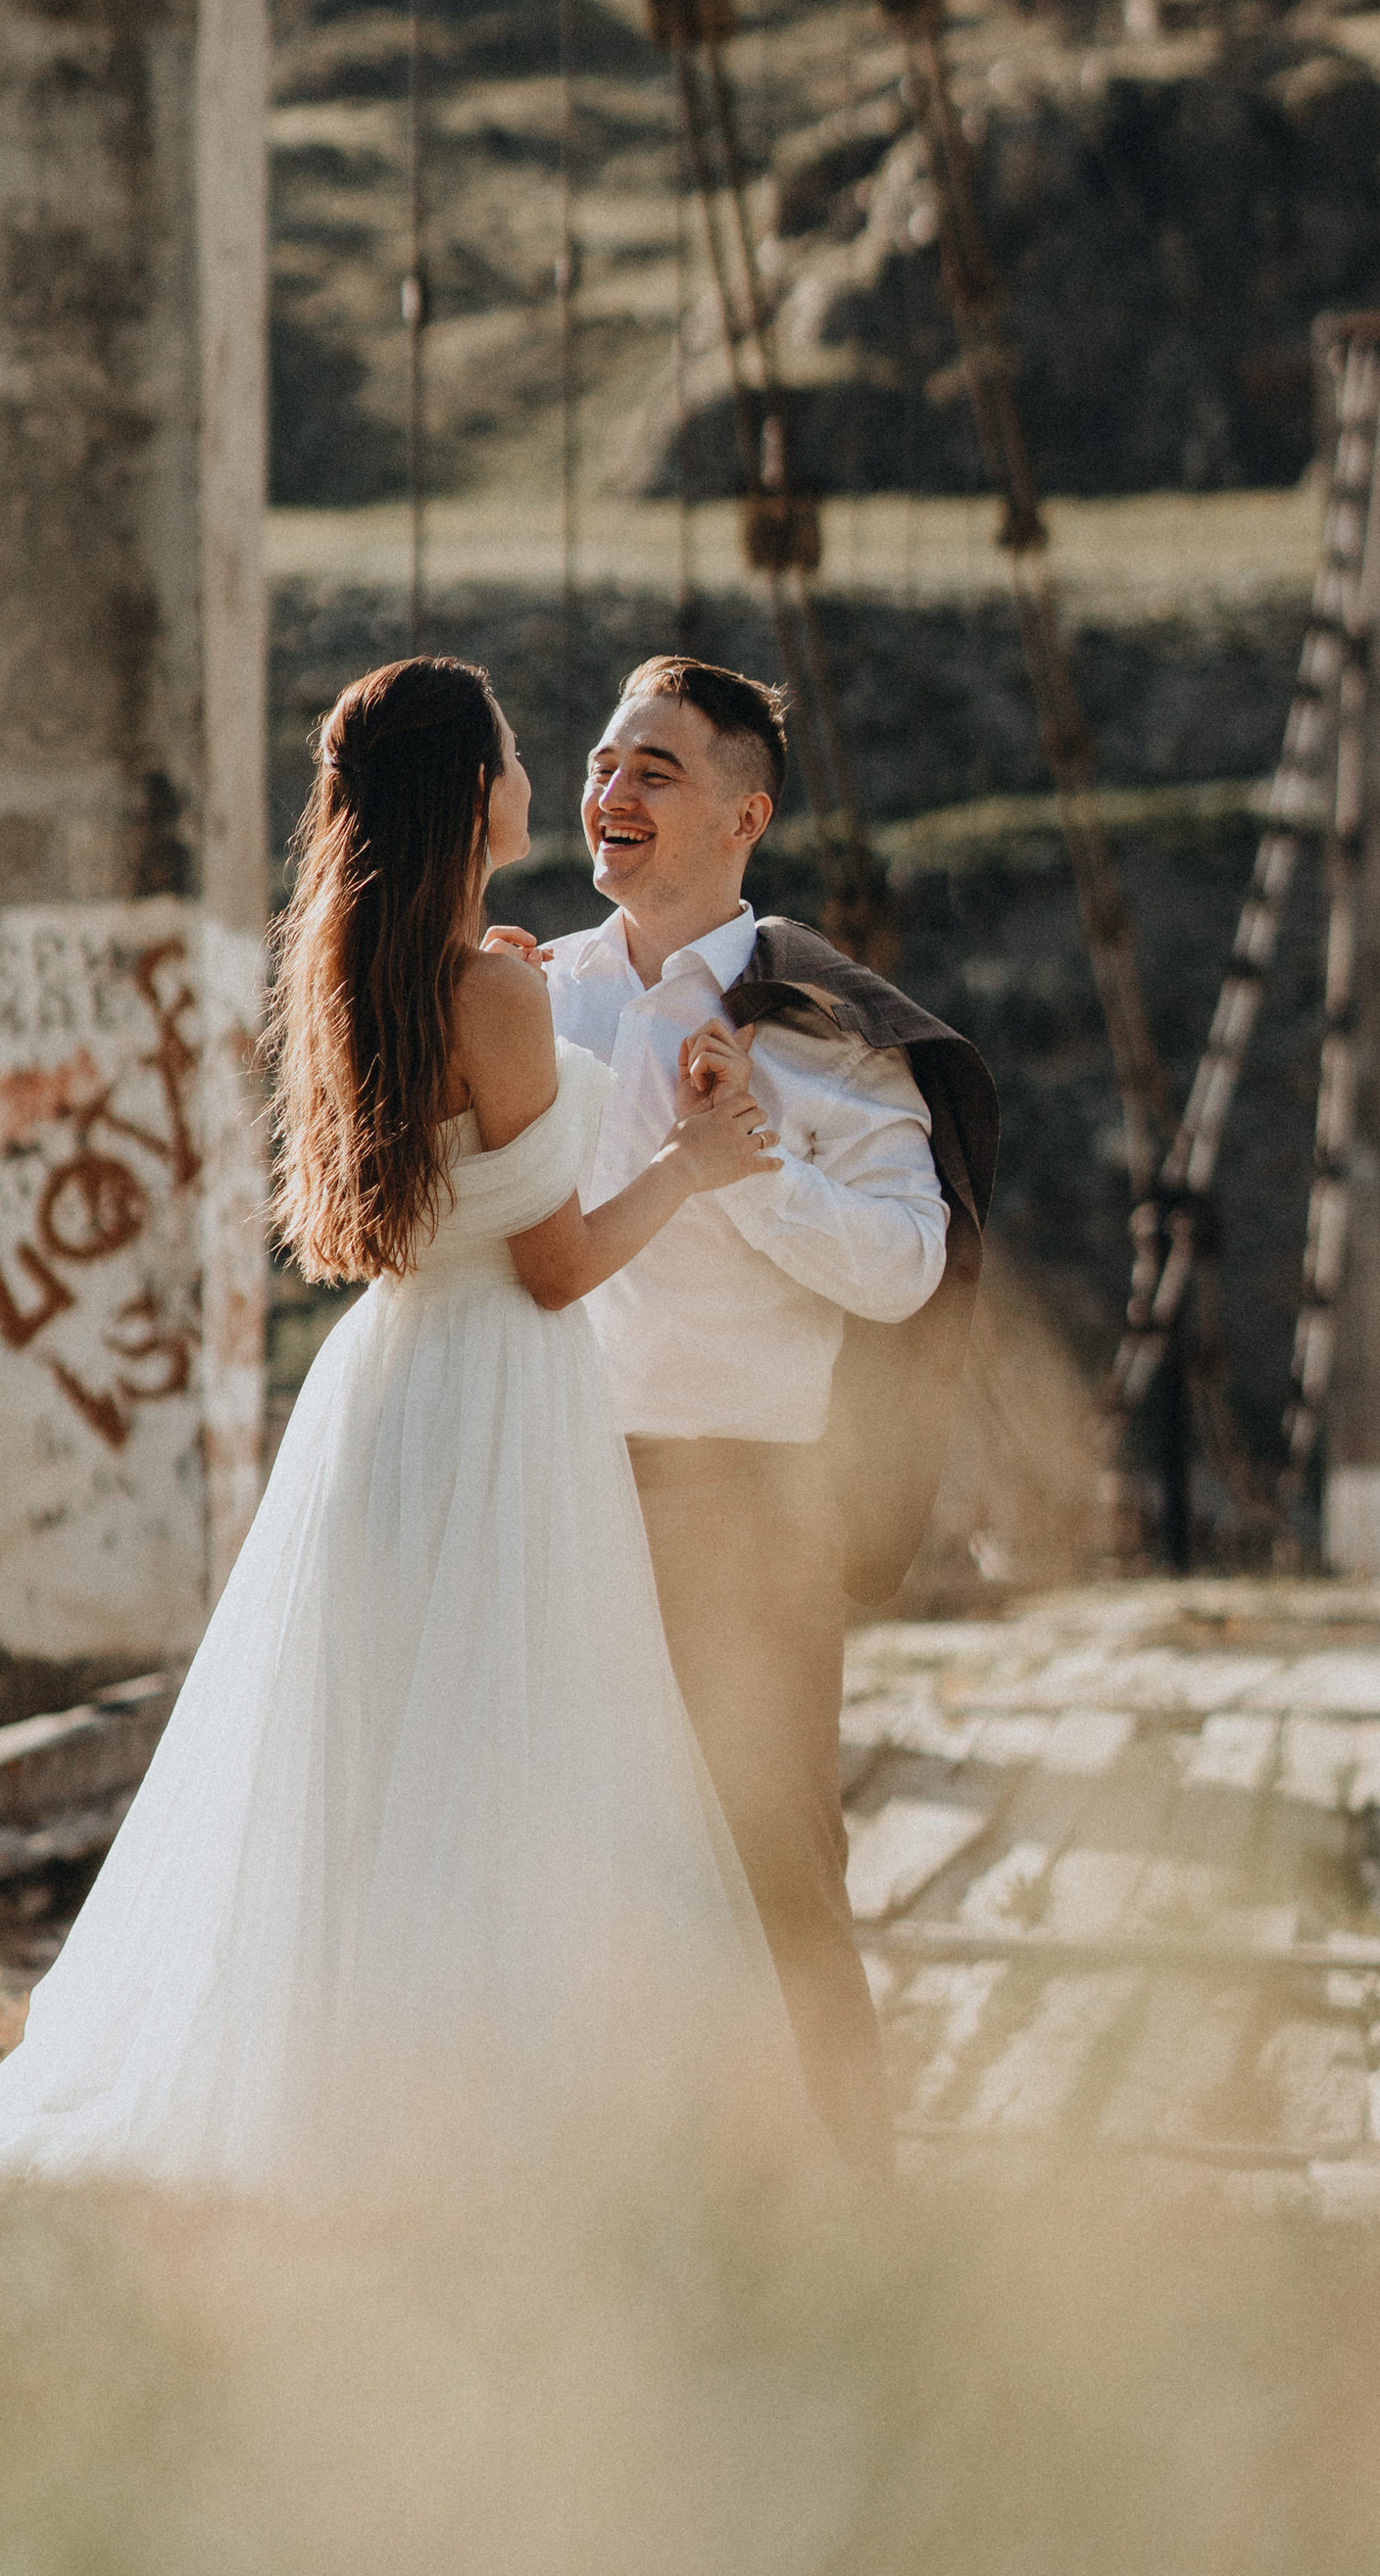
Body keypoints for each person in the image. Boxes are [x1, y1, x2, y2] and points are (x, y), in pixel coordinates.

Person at [0, 654, 799, 2196]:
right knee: (520, 1762)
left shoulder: (364, 971)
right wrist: (693, 1162)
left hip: (385, 1391)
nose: (531, 769)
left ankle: (359, 2106)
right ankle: (494, 2126)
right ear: (470, 792)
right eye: (508, 747)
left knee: (375, 1767)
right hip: (497, 1391)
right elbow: (554, 1270)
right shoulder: (493, 991)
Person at [517, 654, 997, 2174]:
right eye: (603, 765)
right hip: (555, 1489)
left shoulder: (825, 1023)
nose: (611, 794)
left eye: (654, 771)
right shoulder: (539, 1001)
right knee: (566, 1861)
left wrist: (756, 1171)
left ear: (746, 813)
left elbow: (912, 1268)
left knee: (775, 1861)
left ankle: (852, 2202)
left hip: (748, 1503)